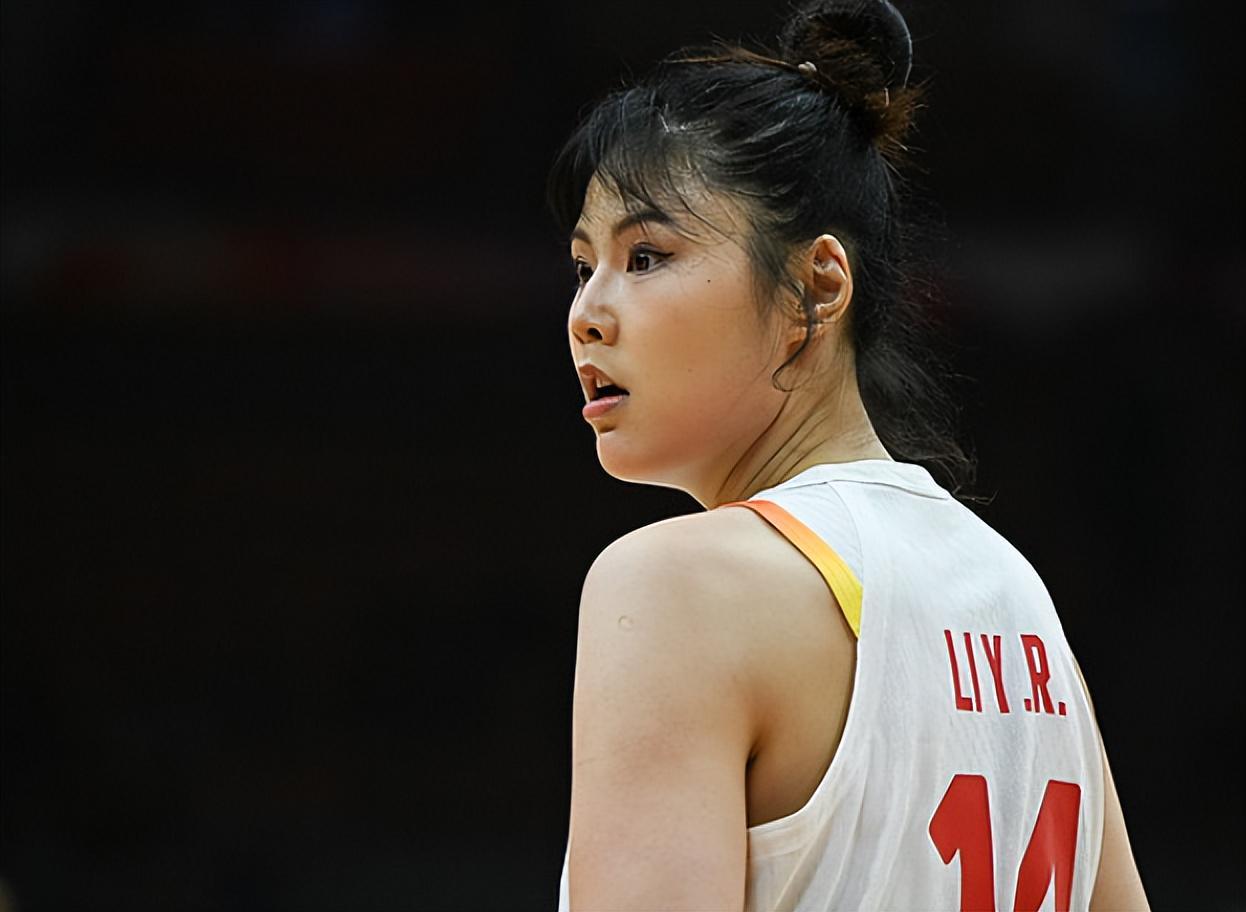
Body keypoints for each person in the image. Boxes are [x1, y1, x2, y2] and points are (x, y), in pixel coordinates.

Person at [548, 1, 1149, 909]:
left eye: (646, 256)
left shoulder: (674, 585)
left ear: (817, 286)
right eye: (583, 265)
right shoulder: (1022, 602)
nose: (586, 314)